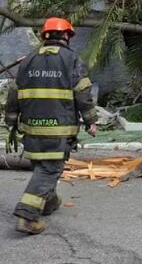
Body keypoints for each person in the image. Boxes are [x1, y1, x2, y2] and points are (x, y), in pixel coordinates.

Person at [4, 17, 97, 235]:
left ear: (44, 36)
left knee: (43, 165)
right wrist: (91, 120)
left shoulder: (27, 60)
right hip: (59, 129)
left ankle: (48, 201)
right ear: (66, 36)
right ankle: (27, 216)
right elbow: (83, 93)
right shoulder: (71, 59)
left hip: (32, 128)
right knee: (49, 169)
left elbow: (13, 94)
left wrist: (10, 121)